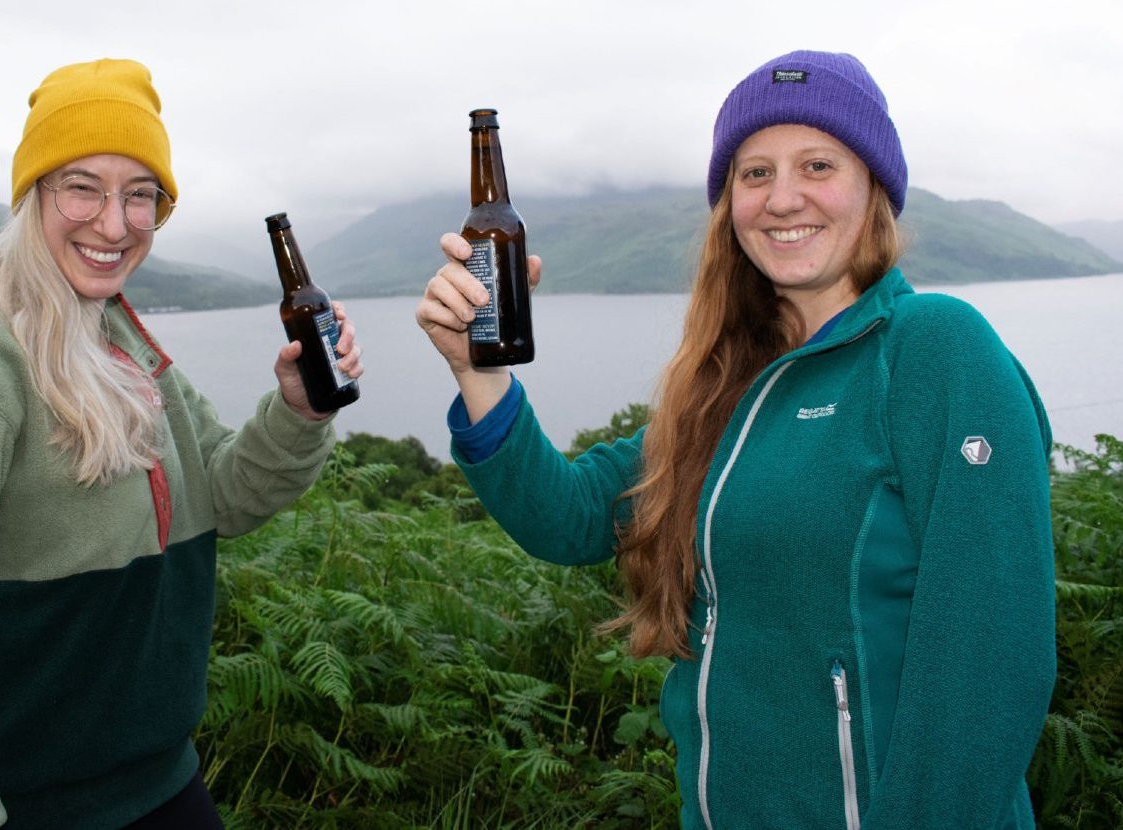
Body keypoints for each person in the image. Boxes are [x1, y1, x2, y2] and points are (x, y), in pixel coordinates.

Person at [416, 50, 1055, 829]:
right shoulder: (726, 394)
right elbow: (571, 515)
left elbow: (987, 664)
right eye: (754, 174)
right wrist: (473, 367)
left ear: (875, 189)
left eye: (817, 164)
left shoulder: (930, 350)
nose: (783, 198)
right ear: (729, 206)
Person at [0, 58, 363, 829]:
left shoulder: (121, 339)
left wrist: (297, 411)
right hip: (21, 803)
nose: (115, 224)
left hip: (161, 785)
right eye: (82, 187)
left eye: (141, 196)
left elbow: (223, 494)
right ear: (31, 194)